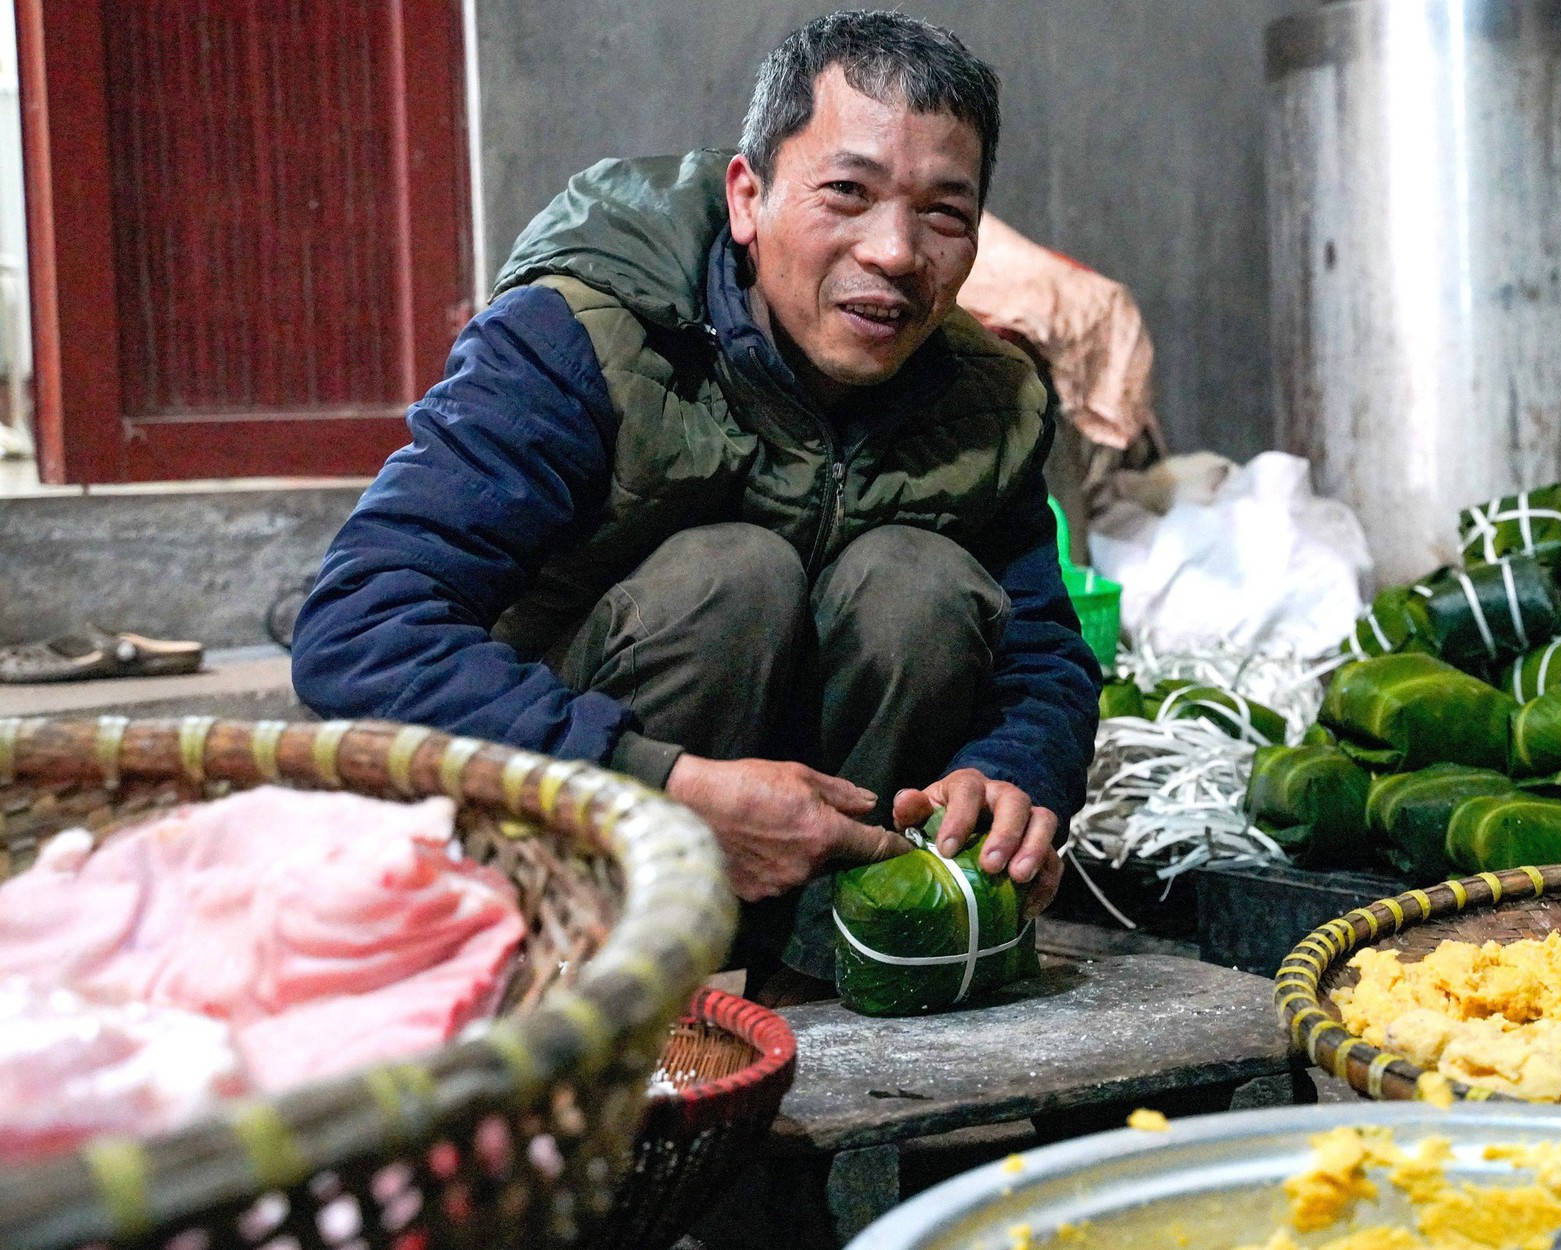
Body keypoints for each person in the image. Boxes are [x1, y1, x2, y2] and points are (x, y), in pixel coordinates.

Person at [291, 11, 1101, 1002]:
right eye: (846, 192)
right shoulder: (582, 335)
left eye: (943, 213)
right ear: (747, 197)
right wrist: (659, 782)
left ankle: (820, 990)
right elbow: (358, 629)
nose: (895, 252)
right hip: (567, 846)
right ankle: (599, 997)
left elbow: (1042, 650)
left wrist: (1017, 771)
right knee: (733, 579)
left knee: (918, 586)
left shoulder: (987, 399)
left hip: (826, 857)